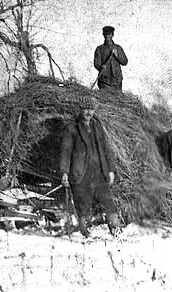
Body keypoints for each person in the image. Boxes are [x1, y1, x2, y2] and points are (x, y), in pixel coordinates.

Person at [60, 96, 122, 237]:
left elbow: (107, 149)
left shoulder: (97, 127)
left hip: (99, 172)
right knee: (83, 203)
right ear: (80, 109)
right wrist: (64, 172)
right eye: (86, 109)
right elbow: (66, 151)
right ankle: (85, 232)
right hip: (81, 173)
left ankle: (116, 229)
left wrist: (111, 170)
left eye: (91, 109)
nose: (89, 112)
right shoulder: (72, 128)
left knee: (108, 201)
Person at [93, 26, 128, 92]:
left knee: (117, 100)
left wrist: (117, 55)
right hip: (104, 80)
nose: (107, 36)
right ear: (103, 35)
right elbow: (96, 63)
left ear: (112, 35)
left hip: (117, 80)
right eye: (105, 34)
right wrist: (101, 66)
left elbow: (125, 62)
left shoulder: (118, 48)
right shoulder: (99, 49)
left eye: (109, 34)